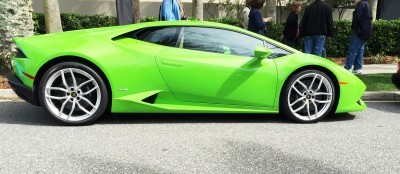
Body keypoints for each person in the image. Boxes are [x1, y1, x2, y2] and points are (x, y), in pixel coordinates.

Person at [344, 0, 373, 74]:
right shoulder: (367, 5)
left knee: (353, 50)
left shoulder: (361, 5)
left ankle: (348, 67)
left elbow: (357, 19)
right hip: (365, 32)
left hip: (358, 31)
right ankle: (358, 68)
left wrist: (355, 28)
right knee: (360, 50)